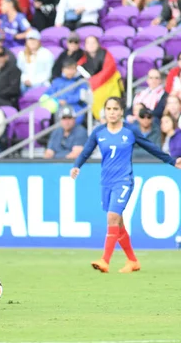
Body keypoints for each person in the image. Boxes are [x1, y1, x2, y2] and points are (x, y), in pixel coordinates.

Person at [71, 97, 181, 274]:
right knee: (118, 223)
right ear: (105, 111)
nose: (112, 112)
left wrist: (171, 160)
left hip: (123, 180)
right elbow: (86, 151)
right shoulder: (99, 132)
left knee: (112, 217)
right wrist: (76, 165)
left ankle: (105, 260)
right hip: (106, 181)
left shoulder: (130, 131)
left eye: (116, 109)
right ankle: (132, 261)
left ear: (122, 111)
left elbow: (150, 146)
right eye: (109, 109)